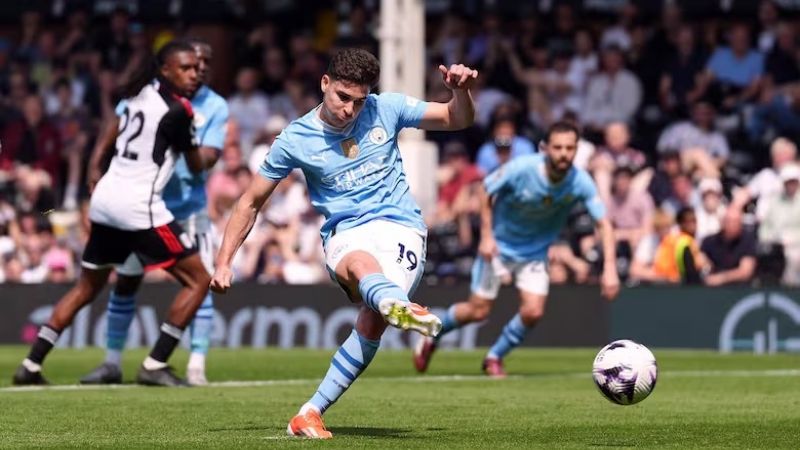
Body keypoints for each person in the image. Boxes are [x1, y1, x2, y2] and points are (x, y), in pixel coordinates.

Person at [209, 48, 478, 439]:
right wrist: (223, 261)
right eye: (343, 98)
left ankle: (309, 413)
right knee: (360, 263)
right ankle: (394, 302)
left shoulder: (387, 108)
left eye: (360, 100)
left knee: (372, 320)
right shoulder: (296, 138)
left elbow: (456, 118)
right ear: (325, 84)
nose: (351, 110)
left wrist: (462, 93)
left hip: (402, 228)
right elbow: (250, 201)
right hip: (345, 231)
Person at [12, 41, 211, 387]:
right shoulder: (180, 111)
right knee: (200, 279)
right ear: (165, 70)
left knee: (87, 286)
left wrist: (94, 165)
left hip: (106, 200)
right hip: (139, 207)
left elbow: (112, 125)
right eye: (186, 68)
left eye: (196, 68)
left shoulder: (137, 94)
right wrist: (203, 153)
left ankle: (30, 364)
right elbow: (195, 166)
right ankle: (155, 363)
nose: (195, 74)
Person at [413, 121, 620, 378]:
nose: (564, 153)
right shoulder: (522, 169)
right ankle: (433, 331)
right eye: (558, 147)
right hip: (499, 247)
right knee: (478, 311)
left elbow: (604, 223)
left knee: (533, 311)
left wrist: (610, 269)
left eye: (570, 148)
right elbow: (486, 189)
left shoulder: (580, 181)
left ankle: (494, 357)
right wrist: (487, 237)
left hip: (534, 253)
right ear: (544, 148)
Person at [79, 39, 229, 386]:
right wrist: (94, 165)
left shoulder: (215, 106)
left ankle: (196, 364)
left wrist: (200, 154)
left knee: (201, 280)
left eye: (204, 61)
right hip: (143, 208)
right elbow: (116, 125)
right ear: (171, 67)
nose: (200, 68)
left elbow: (209, 155)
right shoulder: (153, 96)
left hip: (187, 208)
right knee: (128, 282)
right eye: (193, 63)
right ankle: (114, 362)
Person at [700, 208, 756, 286]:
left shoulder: (747, 241)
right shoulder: (709, 242)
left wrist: (721, 278)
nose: (733, 225)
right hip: (711, 291)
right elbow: (701, 263)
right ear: (723, 222)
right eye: (730, 221)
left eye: (736, 221)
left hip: (739, 290)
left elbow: (745, 271)